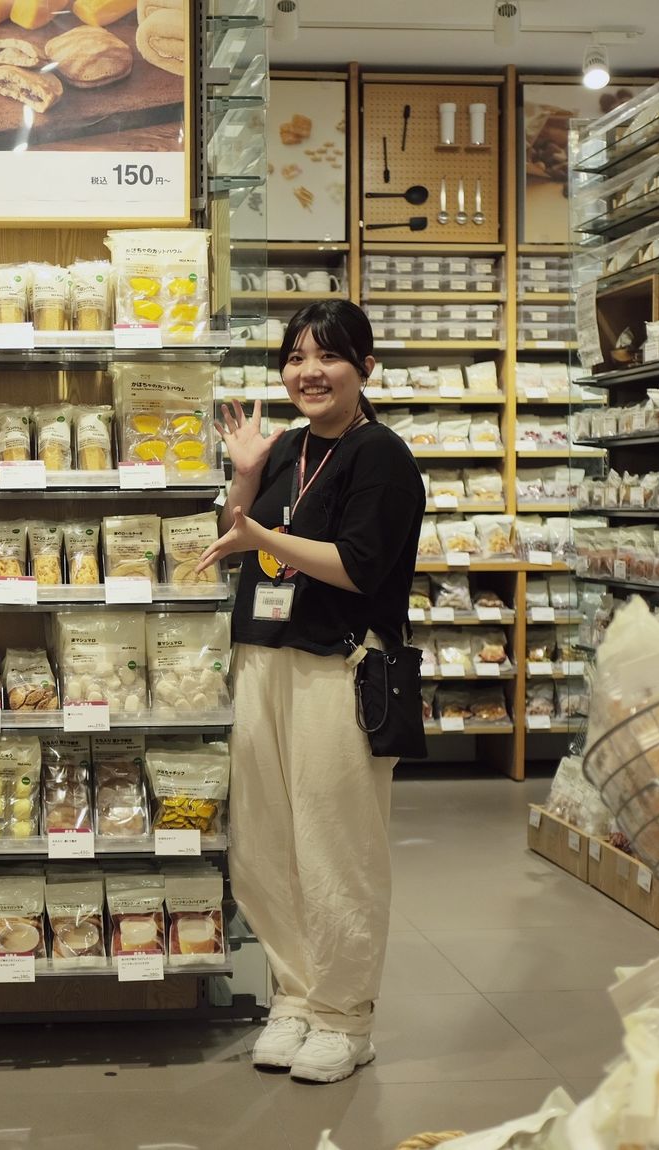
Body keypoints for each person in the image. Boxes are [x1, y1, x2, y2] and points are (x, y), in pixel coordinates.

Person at [196, 299, 424, 1084]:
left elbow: (358, 567)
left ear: (366, 367)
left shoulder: (381, 456)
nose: (309, 372)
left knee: (336, 847)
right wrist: (246, 475)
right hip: (264, 659)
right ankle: (293, 998)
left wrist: (266, 536)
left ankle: (344, 1017)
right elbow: (236, 544)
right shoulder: (288, 447)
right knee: (266, 845)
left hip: (340, 666)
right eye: (295, 357)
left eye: (328, 356)